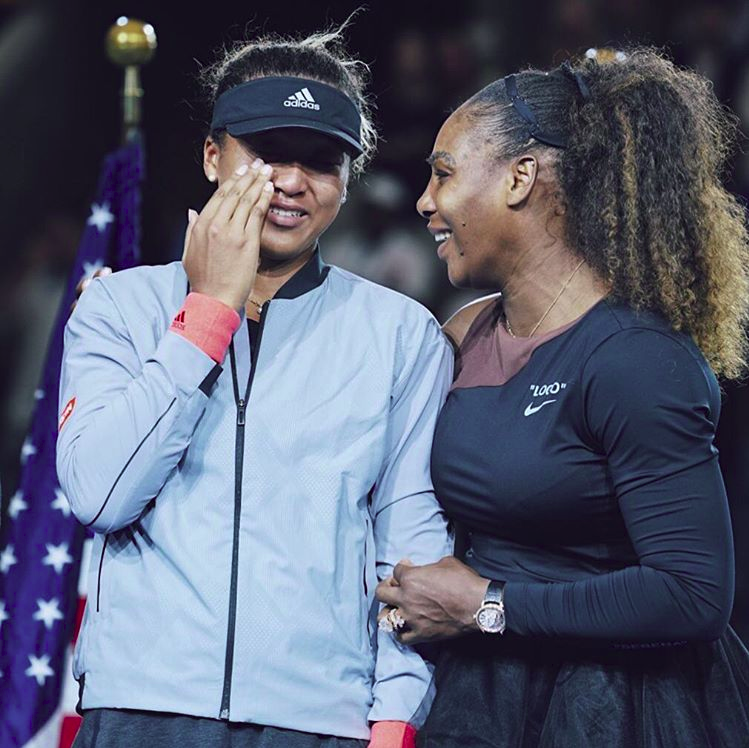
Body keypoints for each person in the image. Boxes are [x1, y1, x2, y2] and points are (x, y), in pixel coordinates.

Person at [57, 26, 453, 748]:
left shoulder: (401, 336)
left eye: (321, 161)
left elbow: (407, 547)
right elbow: (100, 494)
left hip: (314, 719)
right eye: (267, 154)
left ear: (347, 178)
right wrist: (205, 316)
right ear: (214, 156)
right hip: (143, 708)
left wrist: (394, 717)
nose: (292, 181)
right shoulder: (120, 307)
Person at [376, 49, 749, 746]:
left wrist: (487, 607)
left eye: (444, 172)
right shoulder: (464, 333)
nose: (425, 200)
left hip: (615, 711)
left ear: (520, 178)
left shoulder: (636, 361)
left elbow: (692, 594)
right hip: (478, 696)